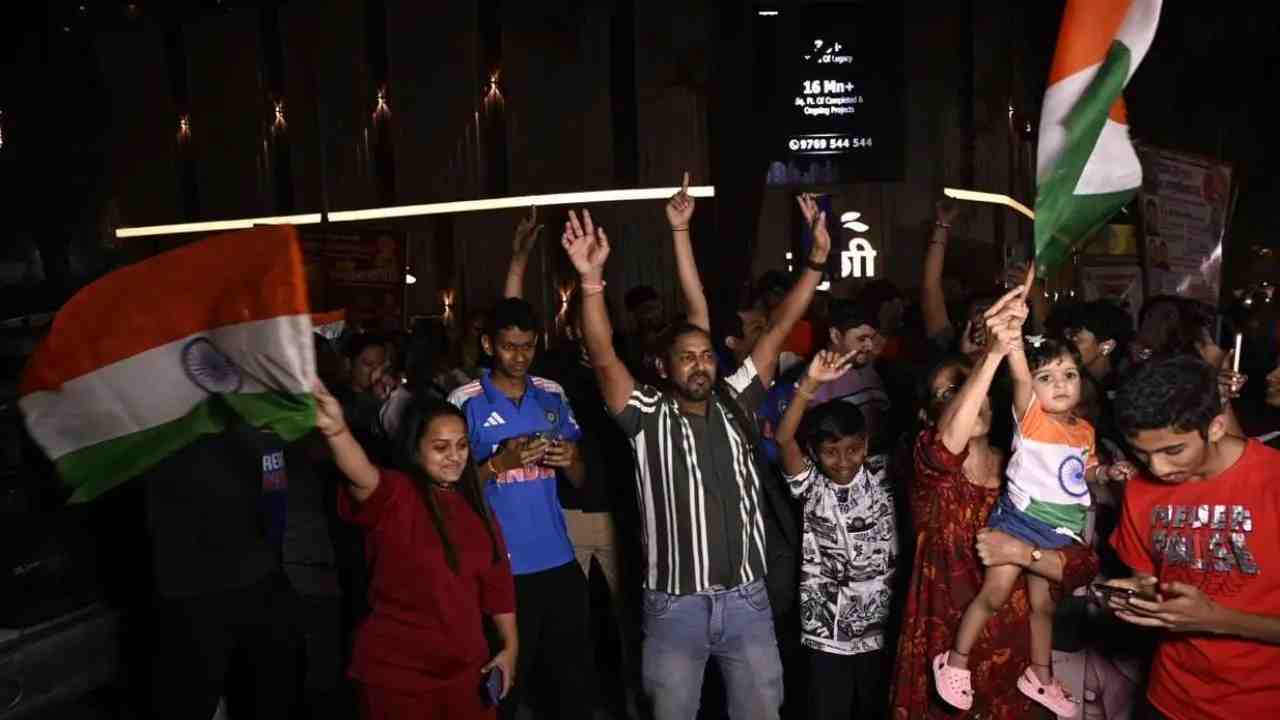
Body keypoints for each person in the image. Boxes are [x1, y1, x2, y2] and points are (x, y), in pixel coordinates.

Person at [562, 198, 828, 720]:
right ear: (664, 366)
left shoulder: (737, 400)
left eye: (706, 355)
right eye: (687, 357)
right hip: (674, 609)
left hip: (748, 602)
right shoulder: (645, 413)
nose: (700, 365)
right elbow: (602, 354)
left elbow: (776, 331)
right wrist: (592, 282)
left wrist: (816, 262)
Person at [890, 285, 1101, 720]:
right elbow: (945, 447)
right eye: (950, 394)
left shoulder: (1029, 471)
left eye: (974, 388)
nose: (971, 399)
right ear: (928, 417)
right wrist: (991, 354)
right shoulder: (932, 477)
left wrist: (1025, 554)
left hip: (1017, 659)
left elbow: (1080, 563)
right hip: (948, 661)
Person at [934, 322, 1130, 716]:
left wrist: (1105, 473)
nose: (1060, 384)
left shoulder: (1085, 430)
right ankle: (954, 661)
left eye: (1069, 375)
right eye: (1047, 377)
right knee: (994, 595)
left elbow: (1084, 472)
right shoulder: (1032, 418)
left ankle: (1040, 676)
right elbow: (1020, 374)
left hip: (1059, 531)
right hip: (1021, 521)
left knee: (1042, 607)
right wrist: (1013, 341)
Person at [314, 384, 517, 720]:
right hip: (397, 678)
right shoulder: (396, 494)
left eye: (462, 445)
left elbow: (498, 586)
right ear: (416, 448)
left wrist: (510, 649)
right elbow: (361, 475)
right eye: (441, 447)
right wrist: (336, 430)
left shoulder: (477, 506)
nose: (455, 456)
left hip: (467, 674)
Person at [1102, 354, 1280, 720]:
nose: (1158, 468)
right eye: (1142, 453)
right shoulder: (1139, 488)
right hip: (1170, 698)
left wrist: (1217, 619)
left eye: (1173, 450)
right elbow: (1147, 582)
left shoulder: (1272, 482)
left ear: (1214, 427)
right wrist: (1139, 600)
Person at [447, 297, 593, 720]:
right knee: (505, 686)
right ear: (490, 345)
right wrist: (499, 463)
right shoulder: (466, 400)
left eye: (527, 346)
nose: (519, 356)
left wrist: (572, 461)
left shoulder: (551, 395)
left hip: (559, 560)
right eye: (509, 346)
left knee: (571, 684)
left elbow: (580, 479)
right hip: (500, 567)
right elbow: (445, 488)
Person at [143, 420, 302, 719]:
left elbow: (275, 483)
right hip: (200, 589)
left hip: (240, 581)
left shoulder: (248, 412)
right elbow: (275, 490)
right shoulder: (163, 416)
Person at [775, 349, 898, 720]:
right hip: (825, 634)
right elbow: (783, 439)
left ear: (865, 443)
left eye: (852, 449)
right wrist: (809, 385)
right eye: (831, 452)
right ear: (814, 451)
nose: (843, 461)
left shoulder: (884, 474)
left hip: (881, 627)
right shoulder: (810, 483)